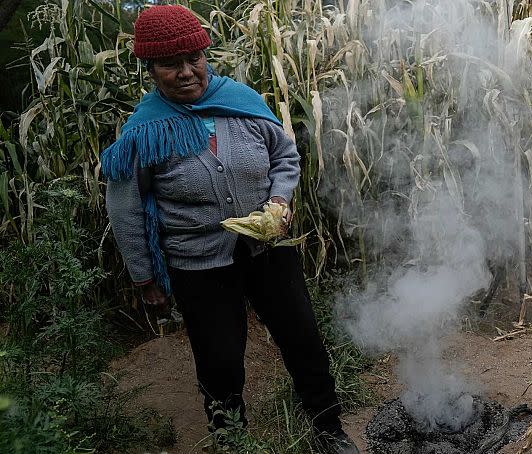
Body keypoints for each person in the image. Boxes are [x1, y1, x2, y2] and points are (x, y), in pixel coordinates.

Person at [101, 5, 359, 453]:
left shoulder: (243, 102)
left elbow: (284, 156)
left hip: (269, 249)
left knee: (303, 340)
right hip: (199, 264)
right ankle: (231, 439)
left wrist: (279, 200)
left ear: (206, 54)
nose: (185, 72)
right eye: (169, 64)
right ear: (150, 69)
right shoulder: (144, 132)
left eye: (193, 59)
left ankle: (327, 427)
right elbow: (125, 211)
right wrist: (145, 277)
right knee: (219, 361)